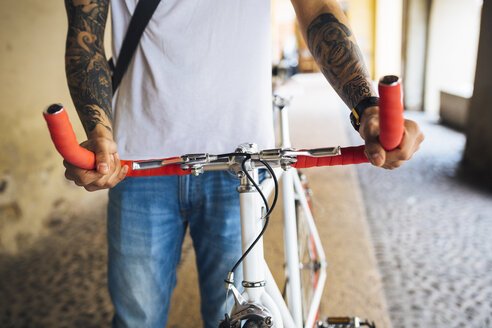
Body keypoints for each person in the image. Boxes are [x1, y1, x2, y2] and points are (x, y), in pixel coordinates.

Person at [63, 0, 424, 327]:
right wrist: (99, 131)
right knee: (135, 317)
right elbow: (85, 36)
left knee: (237, 316)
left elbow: (316, 9)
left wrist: (366, 106)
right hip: (138, 162)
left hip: (241, 161)